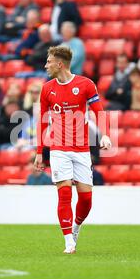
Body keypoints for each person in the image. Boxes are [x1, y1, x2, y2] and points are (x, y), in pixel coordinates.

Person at [34, 46, 112, 254]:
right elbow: (41, 122)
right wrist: (39, 152)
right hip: (58, 148)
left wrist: (104, 134)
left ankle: (76, 227)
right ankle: (68, 241)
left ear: (60, 64)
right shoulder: (46, 89)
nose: (46, 65)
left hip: (82, 149)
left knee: (86, 199)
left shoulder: (85, 84)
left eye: (49, 61)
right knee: (65, 193)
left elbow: (99, 111)